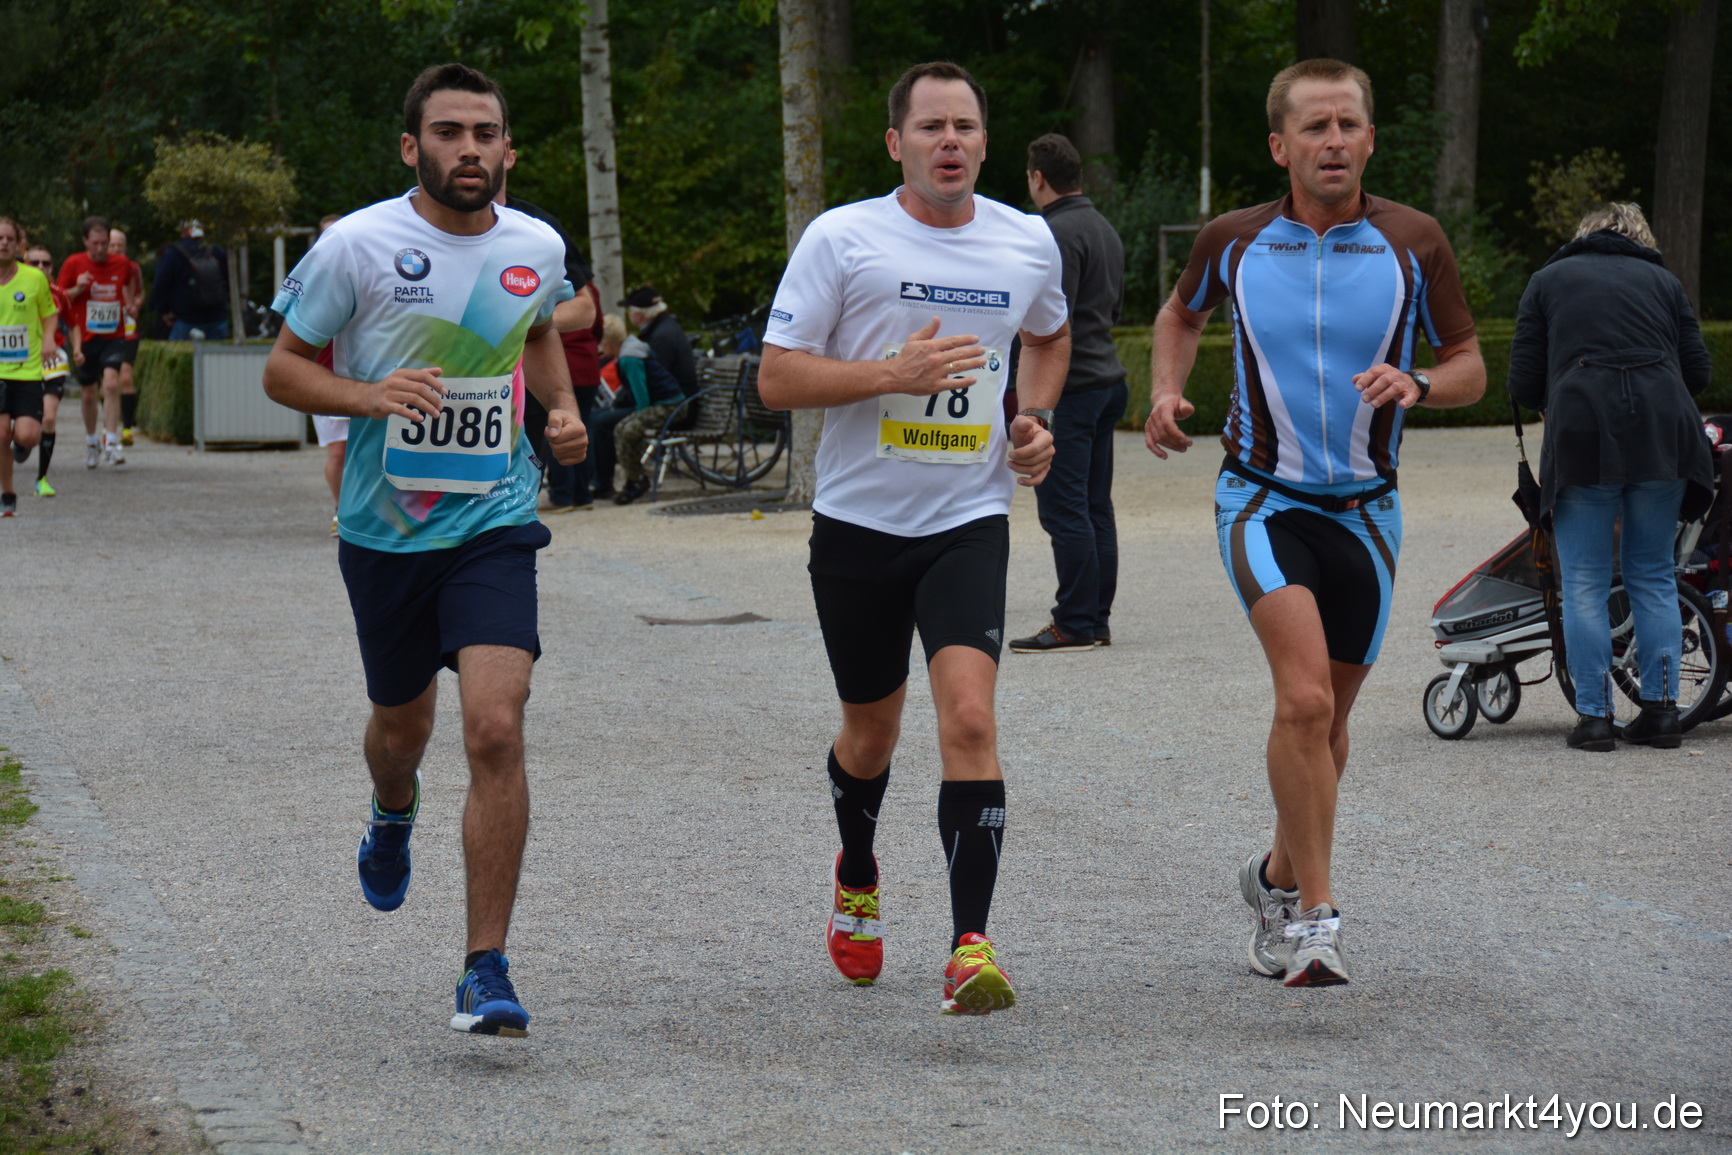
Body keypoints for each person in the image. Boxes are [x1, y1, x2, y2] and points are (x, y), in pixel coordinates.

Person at [1144, 58, 1485, 987]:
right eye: (1314, 127)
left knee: (1329, 727)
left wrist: (1419, 382)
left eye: (1348, 125)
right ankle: (1312, 920)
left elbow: (1469, 364)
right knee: (1303, 702)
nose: (1332, 141)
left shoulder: (1415, 242)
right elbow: (1178, 316)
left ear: (1371, 138)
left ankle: (1269, 876)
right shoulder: (1234, 240)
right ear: (1279, 145)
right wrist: (1167, 391)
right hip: (1261, 497)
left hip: (1369, 514)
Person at [262, 61, 586, 1037]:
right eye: (449, 133)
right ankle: (390, 807)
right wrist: (369, 398)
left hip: (492, 521)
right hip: (384, 532)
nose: (470, 150)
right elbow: (281, 368)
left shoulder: (534, 243)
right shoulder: (356, 245)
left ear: (508, 149)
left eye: (485, 134)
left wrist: (562, 411)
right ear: (414, 147)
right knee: (401, 731)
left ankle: (484, 966)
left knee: (495, 724)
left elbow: (536, 333)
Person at [759, 61, 1070, 1015]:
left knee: (970, 721)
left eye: (966, 127)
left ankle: (970, 945)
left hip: (966, 521)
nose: (950, 141)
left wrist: (1033, 416)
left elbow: (1050, 337)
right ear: (896, 143)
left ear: (986, 143)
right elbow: (776, 378)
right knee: (870, 731)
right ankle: (857, 867)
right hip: (858, 526)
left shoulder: (1028, 244)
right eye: (930, 126)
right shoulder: (843, 237)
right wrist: (888, 375)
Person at [1507, 203, 1713, 751]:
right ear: (1640, 237)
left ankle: (1595, 719)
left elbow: (1523, 381)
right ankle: (1663, 711)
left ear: (1583, 236)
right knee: (1653, 575)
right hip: (1663, 441)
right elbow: (1699, 372)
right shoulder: (1664, 282)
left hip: (1582, 439)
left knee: (1583, 584)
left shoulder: (1547, 280)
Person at [1010, 132, 1129, 653]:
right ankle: (1095, 617)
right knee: (1094, 506)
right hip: (1109, 381)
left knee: (1064, 509)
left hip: (1071, 389)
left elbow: (1045, 324)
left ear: (1038, 178)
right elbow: (1114, 310)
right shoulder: (1103, 227)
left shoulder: (1052, 234)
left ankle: (1076, 622)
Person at [57, 216, 136, 466]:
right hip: (84, 337)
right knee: (89, 393)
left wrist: (133, 305)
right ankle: (92, 442)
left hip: (113, 336)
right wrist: (78, 288)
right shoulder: (73, 263)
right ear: (85, 242)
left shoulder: (123, 264)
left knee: (111, 384)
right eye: (95, 244)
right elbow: (57, 300)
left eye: (104, 243)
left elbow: (133, 289)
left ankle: (111, 443)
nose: (101, 249)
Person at [0, 218, 57, 516]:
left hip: (27, 371)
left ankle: (20, 447)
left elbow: (49, 314)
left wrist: (48, 339)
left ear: (17, 243)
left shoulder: (34, 278)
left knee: (27, 436)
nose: (4, 243)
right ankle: (7, 493)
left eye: (9, 238)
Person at [595, 328, 686, 505]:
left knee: (626, 430)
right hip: (666, 404)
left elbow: (642, 399)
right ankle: (635, 478)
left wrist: (635, 418)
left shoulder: (629, 358)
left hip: (671, 407)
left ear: (608, 344)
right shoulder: (632, 348)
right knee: (622, 426)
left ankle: (635, 481)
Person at [308, 215, 349, 538]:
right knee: (337, 451)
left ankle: (365, 510)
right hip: (326, 378)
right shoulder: (313, 279)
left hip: (368, 377)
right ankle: (341, 511)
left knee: (370, 449)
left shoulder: (368, 270)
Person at [23, 245, 68, 497]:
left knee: (48, 418)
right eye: (35, 263)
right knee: (21, 430)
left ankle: (42, 478)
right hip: (18, 361)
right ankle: (19, 443)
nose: (41, 268)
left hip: (52, 359)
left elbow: (72, 322)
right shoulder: (9, 288)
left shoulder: (59, 294)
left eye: (46, 264)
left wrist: (79, 348)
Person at [151, 222, 230, 341]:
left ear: (183, 230)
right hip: (217, 318)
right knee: (218, 358)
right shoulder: (217, 251)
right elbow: (228, 282)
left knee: (183, 358)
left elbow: (160, 286)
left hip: (186, 319)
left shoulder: (173, 253)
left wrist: (165, 311)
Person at [621, 287, 696, 402]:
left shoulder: (661, 337)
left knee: (600, 419)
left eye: (629, 311)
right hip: (679, 401)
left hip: (676, 406)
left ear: (639, 315)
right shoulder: (663, 328)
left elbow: (651, 378)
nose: (628, 315)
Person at [109, 228, 144, 445]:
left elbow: (140, 292)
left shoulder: (132, 268)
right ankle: (109, 424)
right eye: (112, 245)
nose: (115, 249)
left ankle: (128, 428)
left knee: (126, 378)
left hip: (128, 326)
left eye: (119, 246)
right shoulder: (99, 266)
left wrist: (136, 305)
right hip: (105, 328)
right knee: (109, 381)